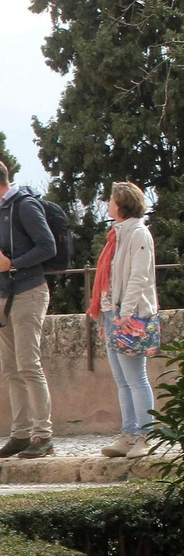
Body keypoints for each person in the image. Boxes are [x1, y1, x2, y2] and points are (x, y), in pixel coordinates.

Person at [0, 158, 59, 460]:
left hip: (29, 292)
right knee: (12, 369)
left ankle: (43, 436)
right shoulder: (1, 208)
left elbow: (48, 246)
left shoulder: (24, 205)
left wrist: (13, 264)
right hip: (5, 295)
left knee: (29, 366)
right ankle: (19, 435)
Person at [92, 182, 160, 460]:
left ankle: (146, 435)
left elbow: (139, 276)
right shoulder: (117, 235)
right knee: (122, 380)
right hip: (113, 314)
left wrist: (126, 313)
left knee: (135, 378)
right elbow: (108, 279)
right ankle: (128, 433)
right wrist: (103, 320)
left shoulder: (137, 233)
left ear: (121, 204)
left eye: (111, 199)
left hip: (128, 316)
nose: (108, 203)